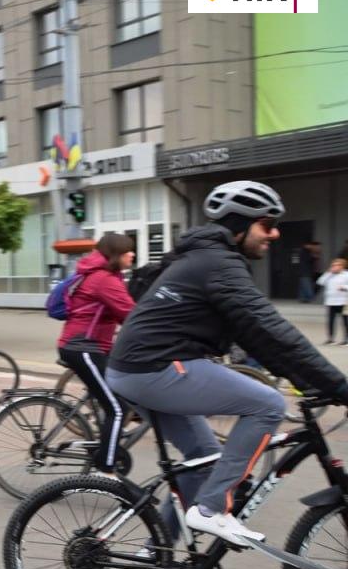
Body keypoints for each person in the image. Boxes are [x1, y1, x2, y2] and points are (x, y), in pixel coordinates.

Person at [107, 181, 348, 543]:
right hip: (154, 369)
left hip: (135, 370)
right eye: (267, 225)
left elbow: (257, 336)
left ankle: (159, 552)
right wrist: (339, 385)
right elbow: (272, 328)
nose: (275, 233)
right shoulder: (218, 263)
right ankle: (212, 509)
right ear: (240, 226)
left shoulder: (206, 259)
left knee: (203, 455)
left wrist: (311, 381)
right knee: (267, 403)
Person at [56, 235, 136, 474]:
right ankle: (106, 469)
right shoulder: (104, 279)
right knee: (117, 409)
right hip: (83, 348)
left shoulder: (106, 276)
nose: (132, 254)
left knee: (121, 390)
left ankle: (105, 441)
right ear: (116, 254)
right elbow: (131, 314)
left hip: (91, 347)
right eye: (127, 251)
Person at [317, 258, 348, 345]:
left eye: (337, 265)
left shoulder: (346, 274)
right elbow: (320, 282)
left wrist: (344, 287)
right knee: (330, 321)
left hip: (343, 301)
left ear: (342, 266)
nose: (335, 267)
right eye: (333, 265)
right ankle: (330, 338)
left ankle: (346, 339)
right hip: (331, 301)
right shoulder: (329, 275)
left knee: (345, 321)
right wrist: (328, 273)